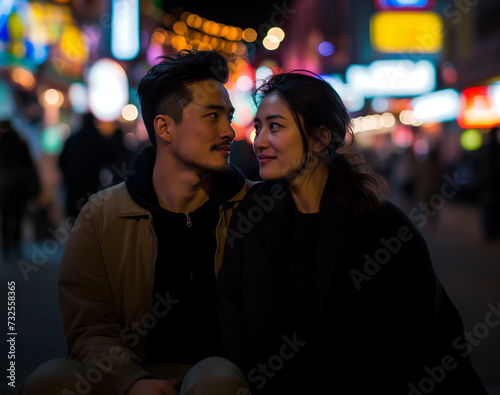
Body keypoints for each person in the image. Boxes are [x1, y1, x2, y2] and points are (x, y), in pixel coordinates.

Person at [216, 71, 488, 394]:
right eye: (258, 127)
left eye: (275, 126)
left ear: (319, 138)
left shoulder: (383, 227)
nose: (258, 140)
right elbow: (232, 321)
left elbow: (425, 340)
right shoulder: (251, 219)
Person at [18, 50, 254, 395]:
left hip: (221, 375)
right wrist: (131, 382)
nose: (229, 131)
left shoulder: (253, 207)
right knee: (50, 379)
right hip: (128, 376)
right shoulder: (103, 215)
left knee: (215, 378)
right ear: (164, 127)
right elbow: (90, 326)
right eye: (212, 116)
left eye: (228, 117)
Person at [58, 112, 114, 220]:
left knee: (75, 223)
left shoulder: (72, 140)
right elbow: (110, 162)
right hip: (92, 188)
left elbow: (61, 162)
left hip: (74, 187)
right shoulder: (99, 140)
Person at [0, 119, 40, 260]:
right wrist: (35, 188)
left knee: (5, 218)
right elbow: (29, 167)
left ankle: (6, 249)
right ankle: (16, 246)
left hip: (4, 188)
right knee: (17, 217)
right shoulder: (21, 143)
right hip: (18, 188)